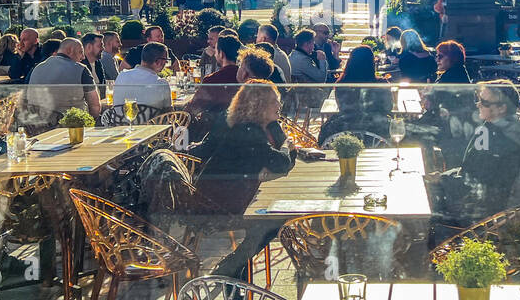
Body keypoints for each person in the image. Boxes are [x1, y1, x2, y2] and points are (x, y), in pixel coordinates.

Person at [425, 80, 520, 226]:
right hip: (479, 201)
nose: (477, 104)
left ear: (501, 108)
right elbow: (471, 171)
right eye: (478, 99)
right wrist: (442, 177)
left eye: (483, 102)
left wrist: (441, 180)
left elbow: (480, 186)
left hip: (483, 218)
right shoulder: (497, 126)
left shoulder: (502, 141)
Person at [190, 81, 294, 215]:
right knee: (277, 216)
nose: (279, 105)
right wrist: (286, 146)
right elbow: (281, 163)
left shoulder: (244, 126)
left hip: (217, 198)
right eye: (274, 101)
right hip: (218, 208)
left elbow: (276, 162)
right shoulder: (248, 132)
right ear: (259, 106)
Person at [22, 37, 101, 132]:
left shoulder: (38, 68)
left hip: (39, 130)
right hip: (71, 129)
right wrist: (90, 123)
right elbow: (95, 106)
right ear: (69, 50)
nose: (83, 57)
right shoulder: (80, 69)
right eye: (80, 52)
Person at [319, 44, 391, 146]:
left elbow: (341, 107)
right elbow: (388, 107)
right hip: (378, 132)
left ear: (350, 62)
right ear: (371, 62)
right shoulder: (381, 84)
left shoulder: (341, 84)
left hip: (346, 132)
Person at [113, 40, 172, 112]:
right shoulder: (161, 84)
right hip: (152, 123)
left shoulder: (121, 76)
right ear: (159, 62)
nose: (166, 63)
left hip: (120, 122)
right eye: (166, 60)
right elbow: (170, 114)